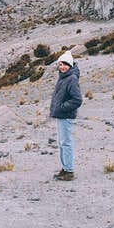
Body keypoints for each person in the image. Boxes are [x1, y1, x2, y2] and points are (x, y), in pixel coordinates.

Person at [49, 50, 82, 181]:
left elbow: (77, 99)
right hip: (61, 115)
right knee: (61, 143)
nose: (62, 67)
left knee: (65, 143)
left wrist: (62, 108)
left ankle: (69, 171)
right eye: (60, 64)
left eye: (65, 64)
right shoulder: (63, 76)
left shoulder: (72, 79)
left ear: (70, 65)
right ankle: (65, 168)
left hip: (65, 116)